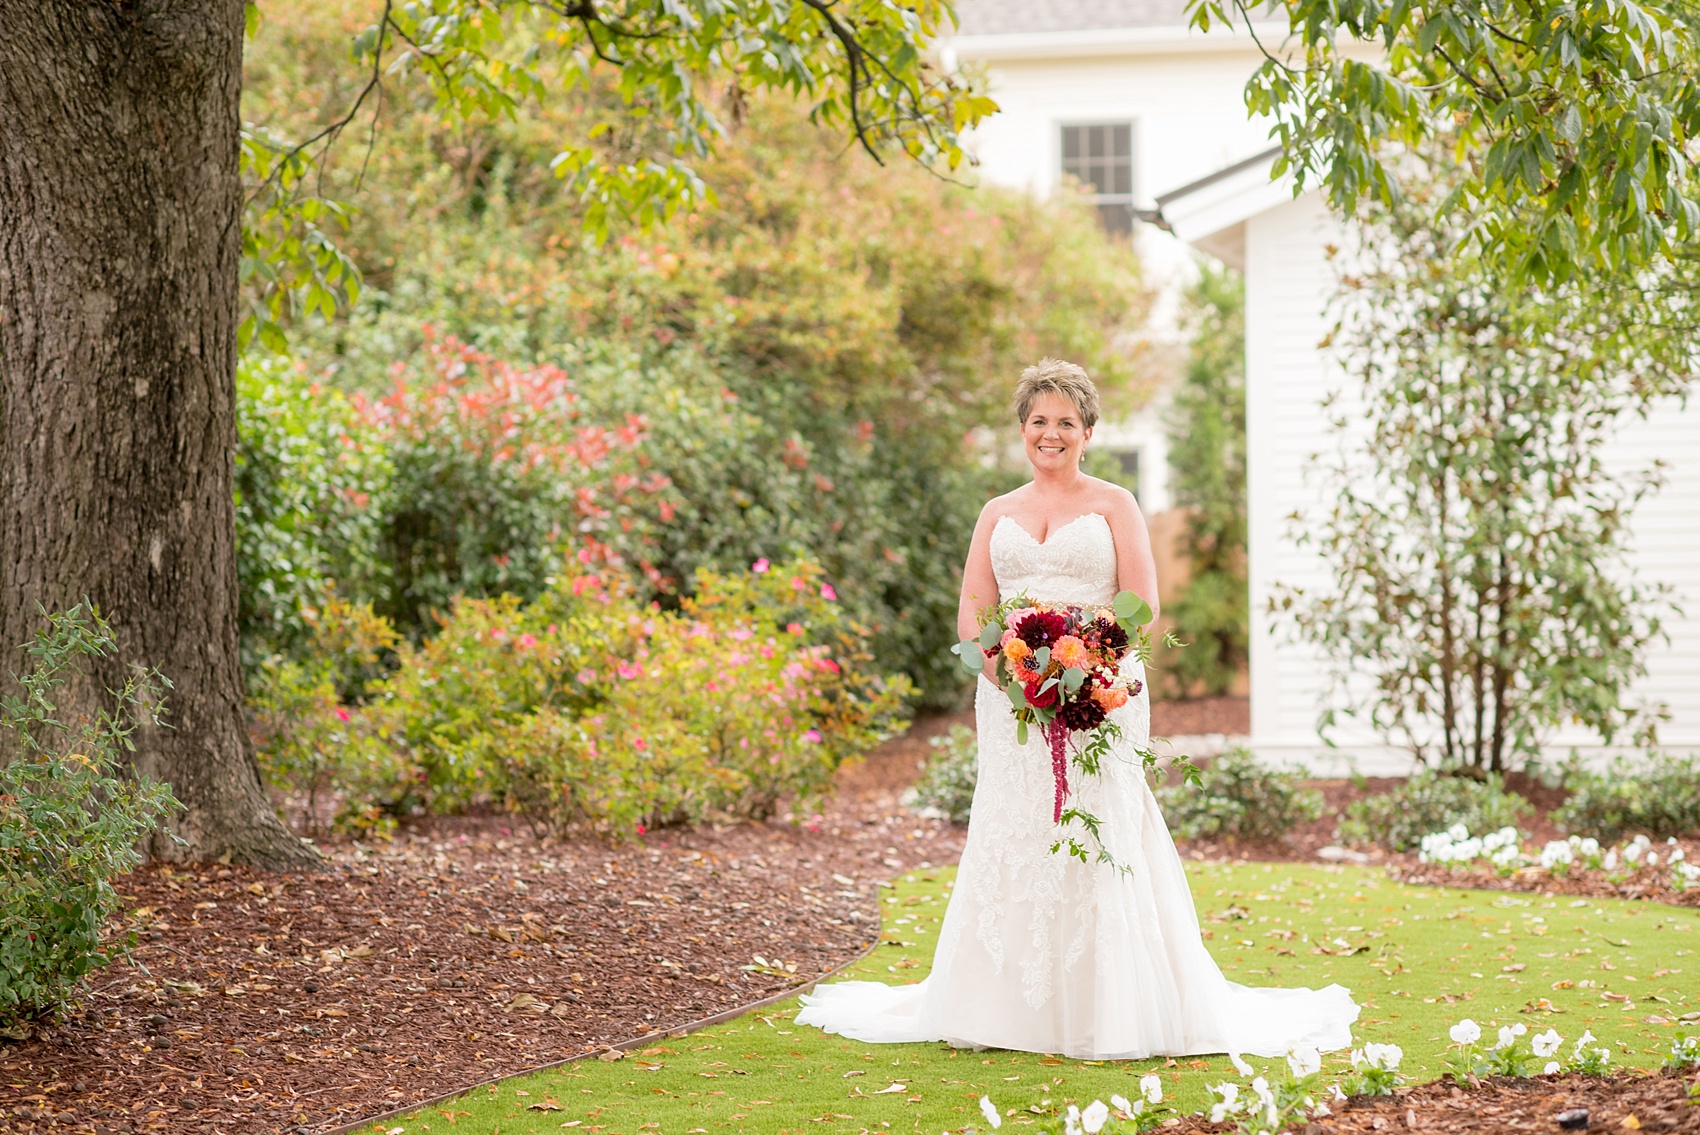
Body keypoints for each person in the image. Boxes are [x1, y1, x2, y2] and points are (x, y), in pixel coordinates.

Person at [795, 358, 1359, 1059]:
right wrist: (1010, 677)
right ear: (1022, 431)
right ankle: (1008, 1006)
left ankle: (1108, 1001)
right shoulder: (995, 512)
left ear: (1088, 431)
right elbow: (972, 616)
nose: (1051, 433)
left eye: (1066, 421)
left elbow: (1143, 604)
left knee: (1099, 824)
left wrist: (1090, 665)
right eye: (1039, 421)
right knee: (1016, 825)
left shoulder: (1116, 503)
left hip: (1103, 692)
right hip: (1010, 703)